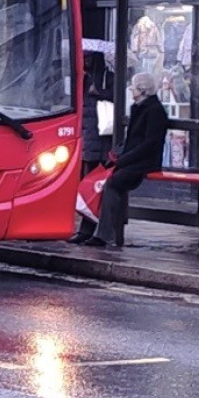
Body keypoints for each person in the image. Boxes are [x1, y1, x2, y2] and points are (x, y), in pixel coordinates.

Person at [81, 71, 168, 249]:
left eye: (134, 86)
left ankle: (103, 235)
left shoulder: (154, 111)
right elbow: (132, 140)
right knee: (97, 181)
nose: (130, 89)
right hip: (132, 159)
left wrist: (123, 160)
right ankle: (86, 231)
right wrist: (117, 156)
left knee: (112, 183)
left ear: (142, 90)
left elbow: (149, 145)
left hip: (144, 162)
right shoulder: (138, 107)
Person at [67, 51, 115, 243]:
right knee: (86, 188)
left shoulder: (106, 78)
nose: (84, 61)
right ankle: (86, 230)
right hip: (87, 140)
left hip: (102, 141)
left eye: (88, 58)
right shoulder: (82, 79)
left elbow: (117, 99)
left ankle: (98, 232)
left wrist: (100, 93)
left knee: (96, 188)